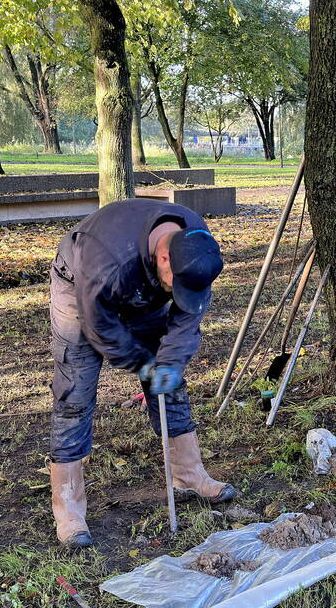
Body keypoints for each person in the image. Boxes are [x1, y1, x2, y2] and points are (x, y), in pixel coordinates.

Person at [48, 198, 237, 549]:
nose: (179, 292)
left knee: (169, 381)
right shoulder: (106, 258)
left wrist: (169, 366)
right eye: (175, 284)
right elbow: (100, 327)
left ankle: (188, 473)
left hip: (144, 288)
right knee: (75, 390)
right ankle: (69, 505)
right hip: (81, 289)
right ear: (164, 258)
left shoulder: (195, 246)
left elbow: (185, 322)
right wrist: (141, 362)